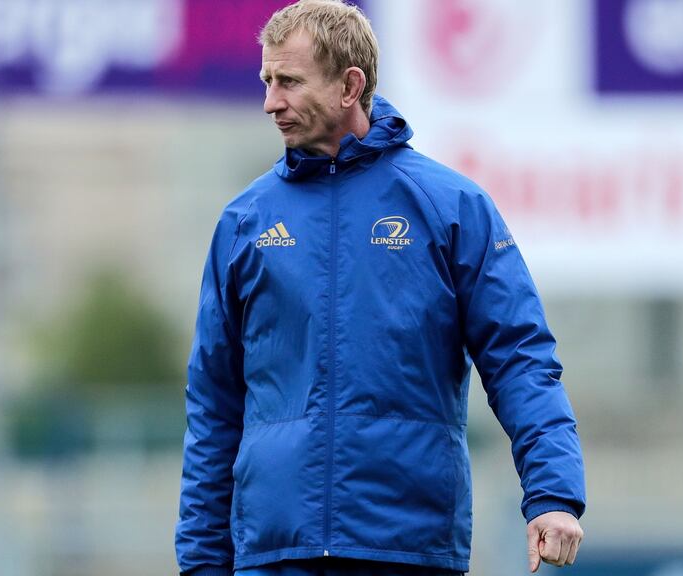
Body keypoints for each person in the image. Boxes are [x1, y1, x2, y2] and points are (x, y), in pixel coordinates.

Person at [175, 1, 586, 575]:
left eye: (289, 81)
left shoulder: (451, 208)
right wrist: (200, 562)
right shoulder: (244, 223)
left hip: (405, 550)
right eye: (267, 80)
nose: (271, 101)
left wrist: (553, 494)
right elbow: (214, 405)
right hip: (274, 556)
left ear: (350, 85)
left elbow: (520, 358)